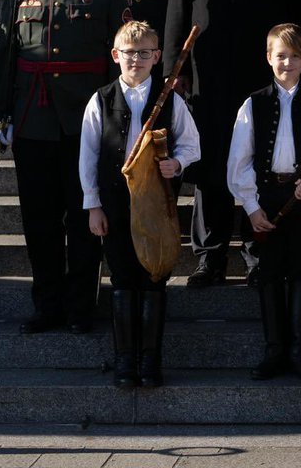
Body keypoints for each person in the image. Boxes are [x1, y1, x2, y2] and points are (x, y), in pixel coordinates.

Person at [0, 0, 127, 334]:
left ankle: (81, 306)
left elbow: (115, 62)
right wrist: (0, 116)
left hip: (85, 122)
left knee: (84, 213)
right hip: (32, 120)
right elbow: (6, 59)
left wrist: (115, 119)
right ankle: (46, 304)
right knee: (38, 217)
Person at [163, 0, 301, 288]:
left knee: (258, 162)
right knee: (210, 165)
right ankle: (210, 256)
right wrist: (174, 69)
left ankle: (258, 254)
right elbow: (177, 9)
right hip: (209, 76)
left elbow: (296, 10)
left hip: (265, 77)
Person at [81, 21, 201, 388]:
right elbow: (88, 154)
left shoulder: (171, 99)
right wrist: (93, 204)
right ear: (116, 56)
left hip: (156, 202)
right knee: (122, 277)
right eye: (130, 53)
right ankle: (124, 362)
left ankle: (150, 362)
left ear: (157, 57)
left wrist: (176, 163)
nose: (137, 60)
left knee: (153, 276)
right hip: (114, 202)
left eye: (144, 53)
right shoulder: (101, 98)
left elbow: (191, 145)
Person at [227, 23, 301, 381]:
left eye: (294, 56)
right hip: (266, 199)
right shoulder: (253, 103)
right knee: (270, 273)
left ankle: (298, 350)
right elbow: (239, 160)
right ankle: (273, 350)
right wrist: (251, 207)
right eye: (280, 56)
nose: (287, 63)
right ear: (268, 58)